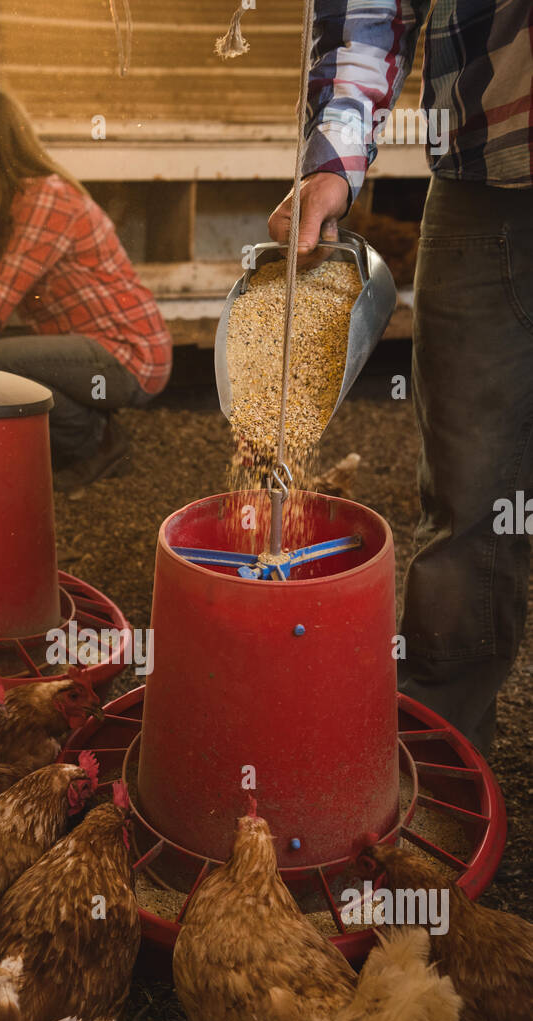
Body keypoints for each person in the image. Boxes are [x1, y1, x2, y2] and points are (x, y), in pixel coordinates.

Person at [267, 1, 533, 754]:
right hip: (492, 177)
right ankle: (441, 747)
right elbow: (369, 8)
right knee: (469, 491)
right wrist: (332, 159)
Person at [0, 83, 173, 493]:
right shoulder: (20, 203)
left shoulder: (47, 200)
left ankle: (92, 445)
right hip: (98, 348)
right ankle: (96, 433)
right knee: (4, 366)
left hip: (129, 353)